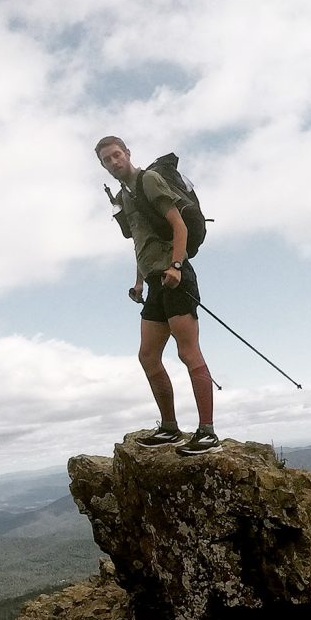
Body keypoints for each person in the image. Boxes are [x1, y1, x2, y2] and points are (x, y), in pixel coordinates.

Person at [95, 135, 220, 455]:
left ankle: (207, 433)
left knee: (188, 352)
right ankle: (169, 428)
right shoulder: (125, 196)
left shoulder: (148, 180)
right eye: (107, 160)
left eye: (117, 155)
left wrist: (177, 266)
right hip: (154, 281)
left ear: (127, 153)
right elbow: (142, 243)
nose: (114, 162)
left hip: (176, 278)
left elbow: (179, 226)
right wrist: (138, 282)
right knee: (148, 356)